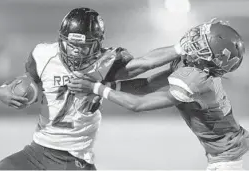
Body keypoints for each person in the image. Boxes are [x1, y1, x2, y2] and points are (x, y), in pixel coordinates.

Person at [0, 7, 188, 170]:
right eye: (71, 45)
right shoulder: (43, 55)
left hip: (74, 159)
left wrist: (181, 48)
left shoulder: (106, 62)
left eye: (83, 46)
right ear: (61, 40)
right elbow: (26, 81)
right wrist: (1, 92)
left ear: (97, 45)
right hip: (37, 150)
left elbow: (143, 64)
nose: (76, 51)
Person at [69, 19, 249, 171]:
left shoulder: (197, 80)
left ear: (211, 58)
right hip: (225, 150)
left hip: (227, 159)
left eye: (201, 43)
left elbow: (138, 105)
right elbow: (146, 85)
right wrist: (107, 85)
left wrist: (96, 88)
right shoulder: (194, 67)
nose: (194, 41)